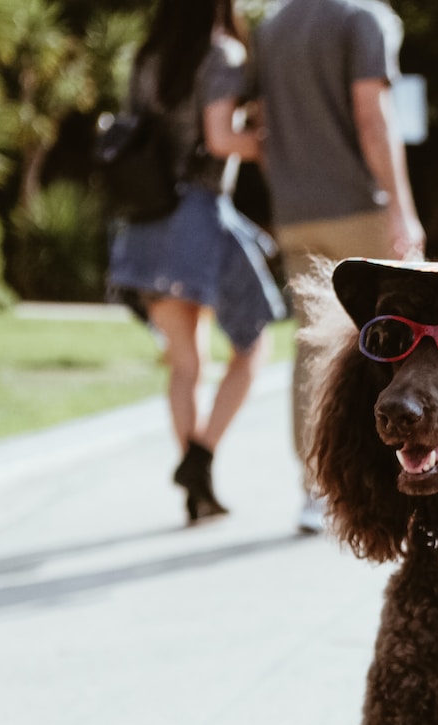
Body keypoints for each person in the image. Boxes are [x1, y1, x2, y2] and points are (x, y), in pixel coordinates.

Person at [107, 0, 285, 525]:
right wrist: (270, 141)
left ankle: (197, 487)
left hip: (145, 218)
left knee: (186, 364)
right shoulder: (222, 54)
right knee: (252, 346)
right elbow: (219, 138)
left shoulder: (148, 54)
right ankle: (201, 458)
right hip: (199, 217)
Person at [250, 0, 424, 533]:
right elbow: (373, 118)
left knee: (313, 344)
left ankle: (315, 490)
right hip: (358, 206)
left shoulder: (272, 26)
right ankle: (396, 478)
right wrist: (403, 207)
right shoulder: (364, 18)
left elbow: (259, 122)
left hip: (294, 213)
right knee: (393, 337)